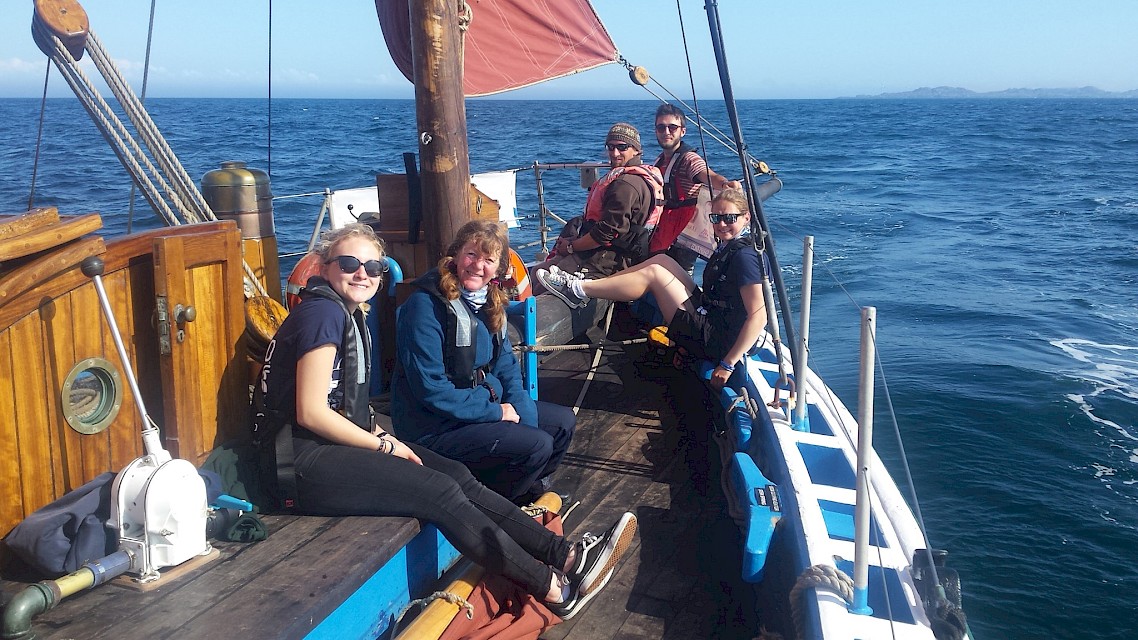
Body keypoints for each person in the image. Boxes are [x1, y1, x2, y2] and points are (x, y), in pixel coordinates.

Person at [253, 223, 636, 619]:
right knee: (438, 491)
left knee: (457, 476)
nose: (362, 273)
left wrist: (383, 435)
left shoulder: (347, 313)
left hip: (331, 445)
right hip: (297, 463)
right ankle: (553, 588)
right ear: (326, 266)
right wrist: (385, 445)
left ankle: (569, 556)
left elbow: (346, 407)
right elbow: (311, 412)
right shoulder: (323, 315)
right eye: (349, 262)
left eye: (373, 265)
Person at [392, 220, 576, 503]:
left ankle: (528, 492)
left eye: (488, 260)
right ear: (456, 255)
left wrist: (525, 420)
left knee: (561, 424)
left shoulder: (490, 303)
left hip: (482, 406)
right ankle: (500, 507)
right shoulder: (424, 307)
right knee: (536, 445)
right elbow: (431, 389)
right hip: (433, 426)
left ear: (498, 269)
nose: (478, 265)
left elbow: (507, 371)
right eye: (471, 255)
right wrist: (496, 414)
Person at [536, 188, 767, 390]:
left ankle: (578, 289)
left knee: (655, 275)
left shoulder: (745, 257)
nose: (721, 224)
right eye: (716, 218)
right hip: (711, 317)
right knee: (662, 261)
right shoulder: (730, 246)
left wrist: (727, 364)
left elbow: (759, 317)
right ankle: (596, 285)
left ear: (746, 218)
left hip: (715, 339)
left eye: (729, 218)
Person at [532, 122, 664, 282]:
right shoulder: (632, 178)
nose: (614, 153)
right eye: (610, 147)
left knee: (540, 279)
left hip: (608, 261)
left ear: (636, 150)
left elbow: (605, 233)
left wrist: (570, 247)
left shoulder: (625, 185)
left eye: (622, 147)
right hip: (606, 252)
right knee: (538, 270)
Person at [649, 103, 742, 273]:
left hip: (684, 234)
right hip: (664, 227)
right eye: (661, 127)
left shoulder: (688, 159)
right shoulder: (660, 160)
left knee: (678, 276)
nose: (666, 132)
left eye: (672, 127)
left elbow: (707, 174)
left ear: (682, 131)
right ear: (656, 131)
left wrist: (724, 184)